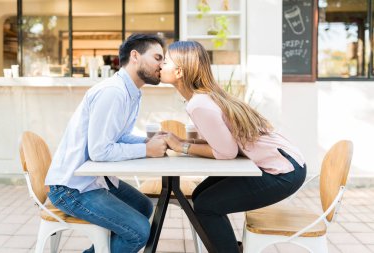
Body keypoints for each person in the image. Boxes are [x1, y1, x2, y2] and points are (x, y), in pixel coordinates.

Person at [160, 40, 307, 253]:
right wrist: (184, 142)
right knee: (201, 194)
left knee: (206, 205)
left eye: (165, 61)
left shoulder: (199, 104)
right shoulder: (205, 96)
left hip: (282, 172)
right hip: (287, 161)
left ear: (180, 71)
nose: (160, 66)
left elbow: (226, 152)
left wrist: (181, 147)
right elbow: (225, 143)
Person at [45, 34, 168, 253]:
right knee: (138, 232)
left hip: (95, 178)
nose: (163, 64)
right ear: (135, 56)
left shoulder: (131, 92)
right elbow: (100, 151)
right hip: (72, 186)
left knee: (144, 206)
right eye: (158, 57)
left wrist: (147, 142)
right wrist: (146, 150)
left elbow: (117, 138)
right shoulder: (114, 92)